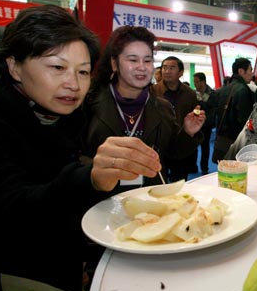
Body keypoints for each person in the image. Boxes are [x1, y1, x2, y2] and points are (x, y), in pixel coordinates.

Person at [0, 5, 163, 291]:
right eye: (57, 67)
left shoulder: (66, 117)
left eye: (82, 72)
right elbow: (14, 206)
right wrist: (91, 177)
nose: (73, 83)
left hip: (61, 277)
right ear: (14, 66)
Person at [82, 26, 205, 189]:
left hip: (150, 198)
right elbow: (75, 158)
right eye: (133, 60)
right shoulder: (89, 103)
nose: (142, 66)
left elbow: (173, 152)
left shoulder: (162, 107)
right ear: (114, 64)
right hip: (103, 201)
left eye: (147, 60)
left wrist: (188, 132)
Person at [153, 56, 200, 181]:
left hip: (181, 144)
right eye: (164, 67)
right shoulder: (152, 91)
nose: (167, 71)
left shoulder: (189, 93)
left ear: (180, 73)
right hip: (158, 145)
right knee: (157, 182)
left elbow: (195, 115)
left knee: (179, 182)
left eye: (172, 68)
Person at [212, 57, 254, 162]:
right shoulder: (243, 90)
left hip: (222, 138)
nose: (252, 74)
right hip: (235, 139)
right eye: (250, 70)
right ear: (241, 71)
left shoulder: (223, 89)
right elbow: (243, 119)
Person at [193, 72, 217, 175]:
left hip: (206, 125)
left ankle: (204, 167)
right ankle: (193, 166)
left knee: (205, 147)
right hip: (194, 123)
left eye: (197, 82)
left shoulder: (212, 94)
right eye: (194, 82)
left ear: (203, 82)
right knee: (192, 146)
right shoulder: (194, 93)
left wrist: (202, 103)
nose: (195, 84)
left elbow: (212, 110)